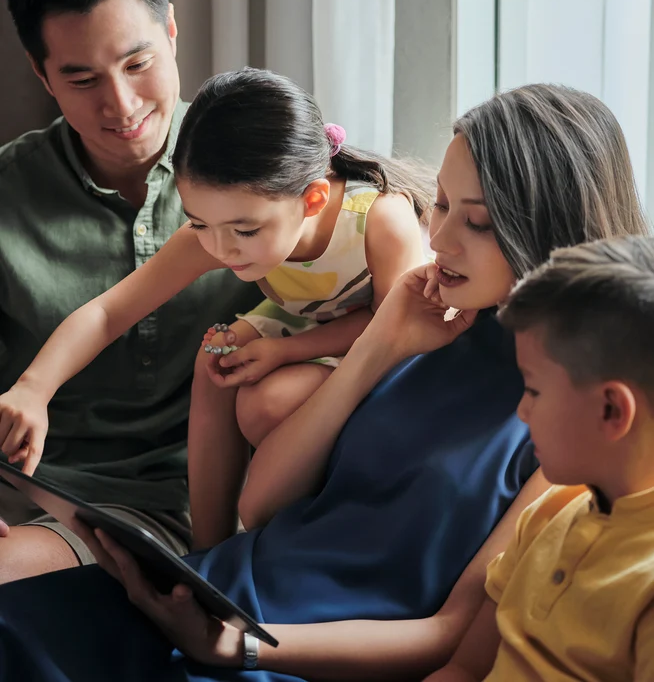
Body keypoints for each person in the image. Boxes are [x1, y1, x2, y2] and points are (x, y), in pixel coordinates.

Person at [0, 84, 646, 682]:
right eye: (442, 204)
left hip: (280, 653)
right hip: (210, 594)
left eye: (473, 222)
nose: (439, 237)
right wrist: (379, 344)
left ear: (547, 230)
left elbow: (449, 636)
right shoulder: (428, 323)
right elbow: (264, 508)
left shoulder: (567, 418)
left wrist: (237, 647)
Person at [0, 66, 429, 548]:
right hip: (306, 322)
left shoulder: (380, 220)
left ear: (312, 200)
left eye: (245, 232)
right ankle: (208, 552)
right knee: (217, 359)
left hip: (378, 348)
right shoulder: (222, 231)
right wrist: (34, 387)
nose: (222, 250)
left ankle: (288, 546)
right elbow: (107, 313)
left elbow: (394, 331)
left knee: (266, 405)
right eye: (199, 223)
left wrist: (289, 352)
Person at [0, 0, 262, 582]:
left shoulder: (260, 175)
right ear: (42, 72)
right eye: (83, 79)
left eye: (137, 63)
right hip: (31, 492)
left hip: (184, 504)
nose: (120, 105)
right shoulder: (10, 191)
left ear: (171, 32)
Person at [427, 235, 654, 682]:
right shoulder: (547, 513)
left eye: (532, 390)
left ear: (611, 410)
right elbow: (464, 669)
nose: (522, 411)